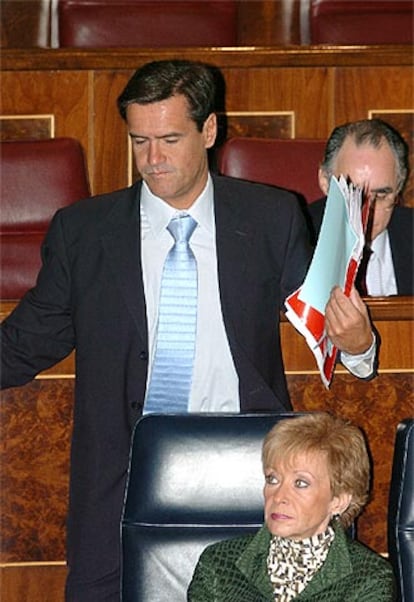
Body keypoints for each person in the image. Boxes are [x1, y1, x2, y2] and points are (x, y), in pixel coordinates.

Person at [1, 60, 376, 601]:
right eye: (140, 141)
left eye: (170, 139)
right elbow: (26, 342)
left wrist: (360, 347)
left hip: (247, 462)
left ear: (209, 130)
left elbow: (326, 324)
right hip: (121, 468)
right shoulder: (84, 232)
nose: (152, 160)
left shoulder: (271, 217)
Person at [188, 412, 396, 601]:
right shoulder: (218, 564)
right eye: (273, 479)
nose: (279, 497)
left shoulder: (369, 578)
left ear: (338, 501)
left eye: (300, 483)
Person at [309, 118, 413, 296]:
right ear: (325, 182)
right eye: (353, 194)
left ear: (398, 188)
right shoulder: (293, 240)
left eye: (380, 196)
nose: (366, 212)